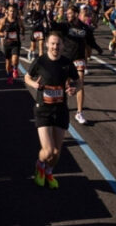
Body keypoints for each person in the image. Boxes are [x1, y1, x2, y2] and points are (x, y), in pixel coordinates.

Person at [24, 33, 79, 189]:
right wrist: (33, 84)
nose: (55, 47)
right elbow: (27, 77)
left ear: (62, 46)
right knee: (48, 151)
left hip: (60, 109)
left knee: (56, 153)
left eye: (58, 44)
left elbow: (78, 81)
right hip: (43, 110)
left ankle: (48, 172)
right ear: (47, 44)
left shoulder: (67, 63)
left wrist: (74, 89)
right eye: (53, 44)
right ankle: (40, 165)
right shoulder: (40, 61)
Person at [50, 5, 102, 124]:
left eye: (70, 13)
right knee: (63, 84)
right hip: (67, 58)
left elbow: (90, 40)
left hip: (79, 58)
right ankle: (60, 107)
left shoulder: (84, 28)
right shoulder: (65, 26)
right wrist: (57, 16)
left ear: (76, 14)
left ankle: (79, 113)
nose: (68, 15)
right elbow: (54, 26)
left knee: (80, 83)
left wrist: (98, 48)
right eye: (67, 14)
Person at [0, 5, 24, 85]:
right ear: (8, 12)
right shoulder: (4, 21)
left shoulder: (18, 20)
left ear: (16, 12)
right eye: (11, 11)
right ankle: (9, 77)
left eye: (14, 11)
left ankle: (15, 68)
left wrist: (22, 34)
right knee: (8, 62)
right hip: (7, 44)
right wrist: (3, 34)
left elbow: (23, 28)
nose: (12, 13)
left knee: (15, 59)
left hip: (16, 43)